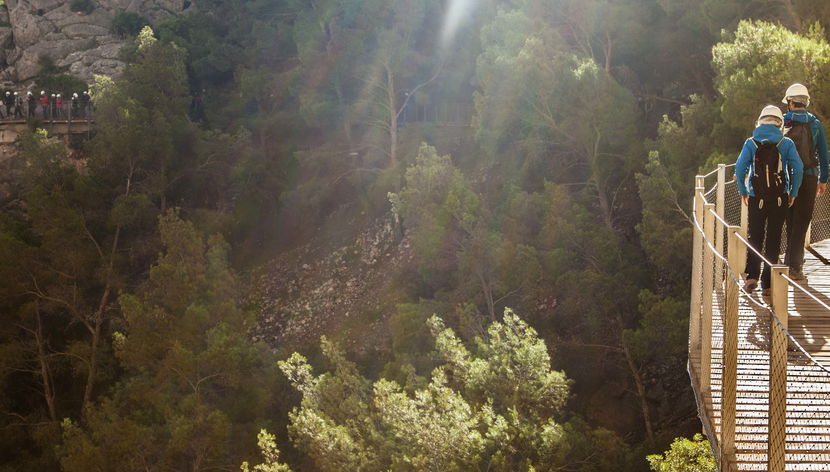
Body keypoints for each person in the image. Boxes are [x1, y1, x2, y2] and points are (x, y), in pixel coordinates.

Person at [735, 105, 803, 296]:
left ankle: (751, 277)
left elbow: (740, 169)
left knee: (755, 236)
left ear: (760, 120)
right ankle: (768, 283)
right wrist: (793, 192)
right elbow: (797, 169)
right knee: (773, 239)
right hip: (779, 198)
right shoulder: (786, 142)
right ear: (779, 123)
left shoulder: (751, 143)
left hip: (757, 198)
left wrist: (743, 190)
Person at [781, 83, 829, 280]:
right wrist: (823, 180)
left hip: (787, 177)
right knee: (802, 221)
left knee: (790, 219)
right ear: (806, 102)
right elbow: (823, 155)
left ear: (791, 102)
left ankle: (789, 261)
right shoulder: (815, 124)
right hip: (809, 176)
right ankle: (795, 265)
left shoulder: (783, 122)